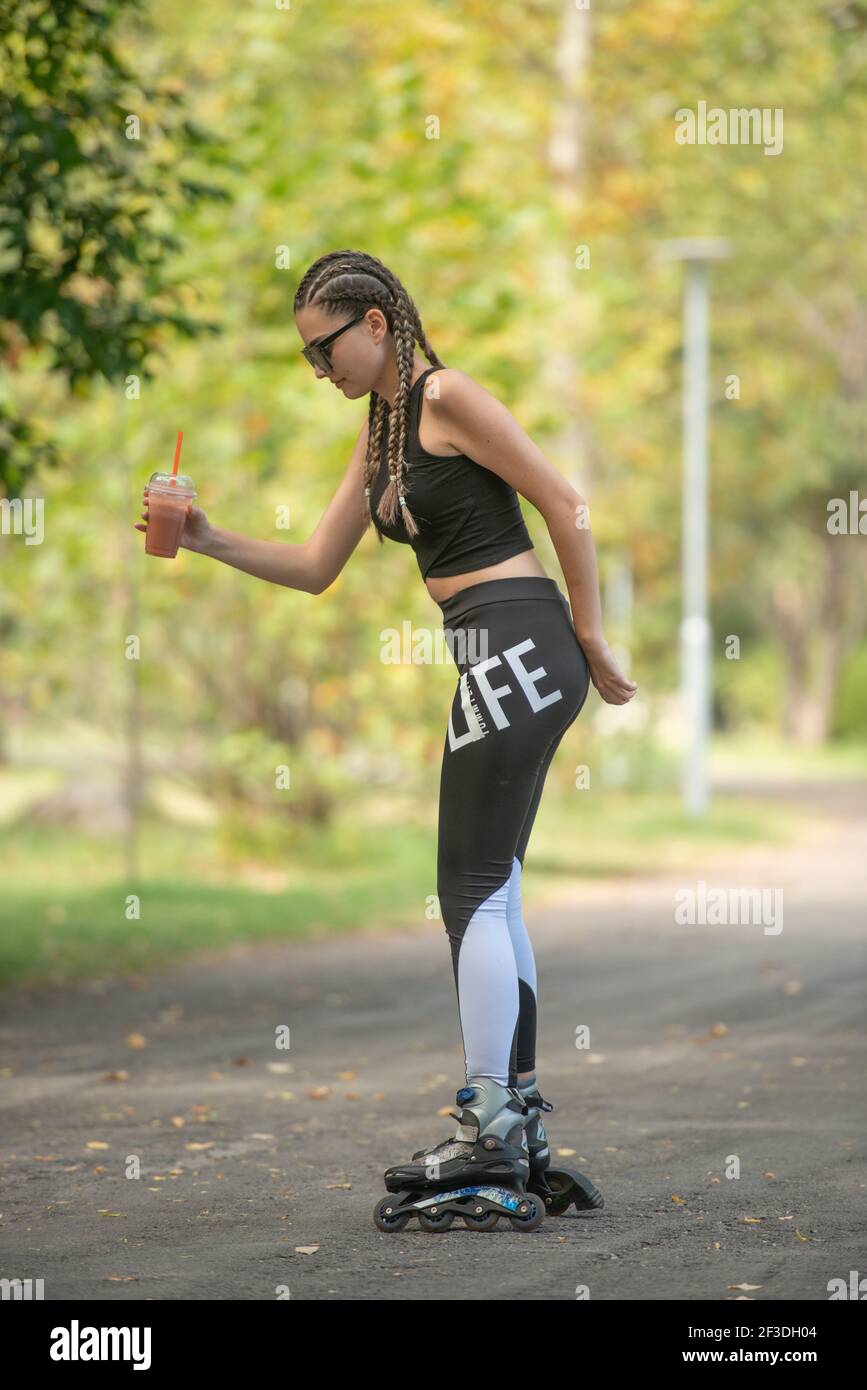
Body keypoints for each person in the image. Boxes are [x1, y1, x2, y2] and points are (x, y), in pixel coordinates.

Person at [135, 249, 637, 1207]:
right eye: (307, 358)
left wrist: (589, 636)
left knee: (470, 890)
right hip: (494, 650)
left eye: (323, 349)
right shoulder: (383, 427)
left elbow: (565, 503)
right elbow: (315, 566)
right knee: (494, 889)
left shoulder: (445, 395)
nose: (318, 370)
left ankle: (489, 1127)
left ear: (374, 324)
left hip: (520, 643)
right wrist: (203, 537)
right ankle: (516, 1116)